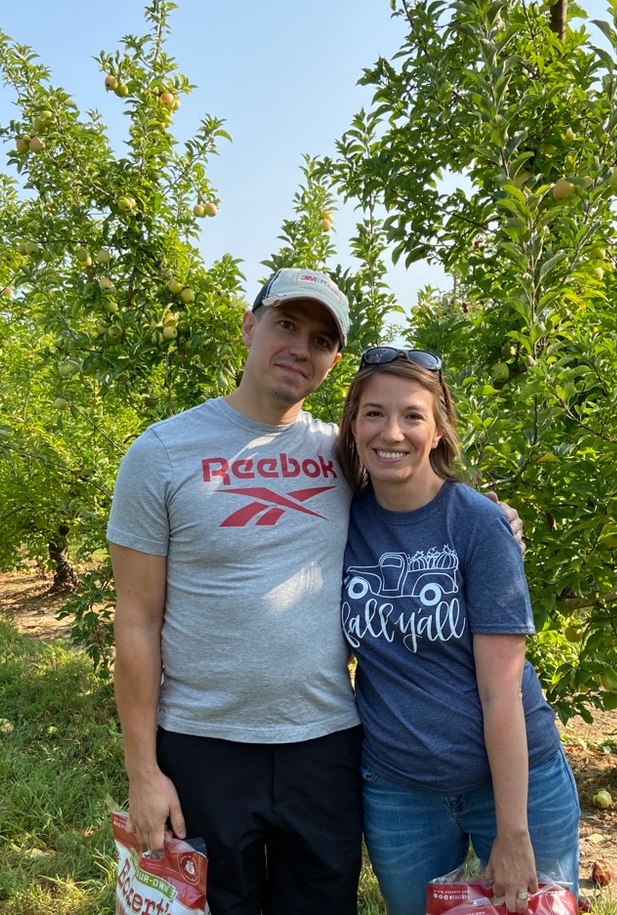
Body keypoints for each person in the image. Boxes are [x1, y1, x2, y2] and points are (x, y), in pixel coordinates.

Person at [106, 271, 523, 915]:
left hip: (326, 742)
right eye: (286, 325)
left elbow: (419, 493)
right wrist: (143, 771)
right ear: (249, 326)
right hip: (203, 743)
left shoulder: (345, 451)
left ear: (333, 361)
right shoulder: (162, 452)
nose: (301, 347)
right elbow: (135, 620)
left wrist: (492, 521)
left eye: (322, 339)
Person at [335, 346, 581, 915]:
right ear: (352, 425)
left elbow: (501, 694)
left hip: (514, 787)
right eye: (373, 413)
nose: (391, 432)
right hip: (400, 791)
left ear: (439, 430)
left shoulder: (478, 524)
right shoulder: (338, 519)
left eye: (412, 415)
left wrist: (513, 831)